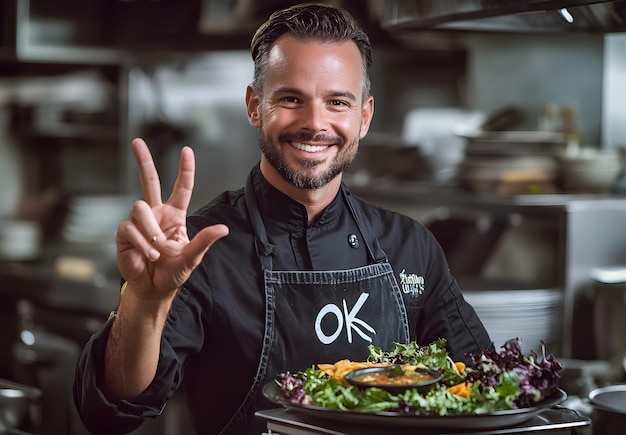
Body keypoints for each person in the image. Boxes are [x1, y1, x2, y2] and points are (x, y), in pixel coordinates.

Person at [73, 3, 493, 434]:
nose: (315, 123)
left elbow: (486, 387)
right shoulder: (199, 249)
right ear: (255, 107)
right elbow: (109, 413)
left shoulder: (411, 247)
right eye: (292, 99)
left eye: (337, 102)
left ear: (363, 116)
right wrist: (142, 304)